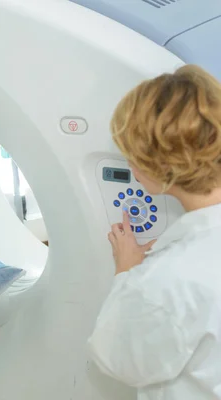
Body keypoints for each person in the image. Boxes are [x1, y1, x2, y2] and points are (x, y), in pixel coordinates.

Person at [87, 64, 221, 399]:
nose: (130, 167)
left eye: (131, 156)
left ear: (158, 166)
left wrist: (126, 273)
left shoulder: (168, 280)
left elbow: (117, 359)